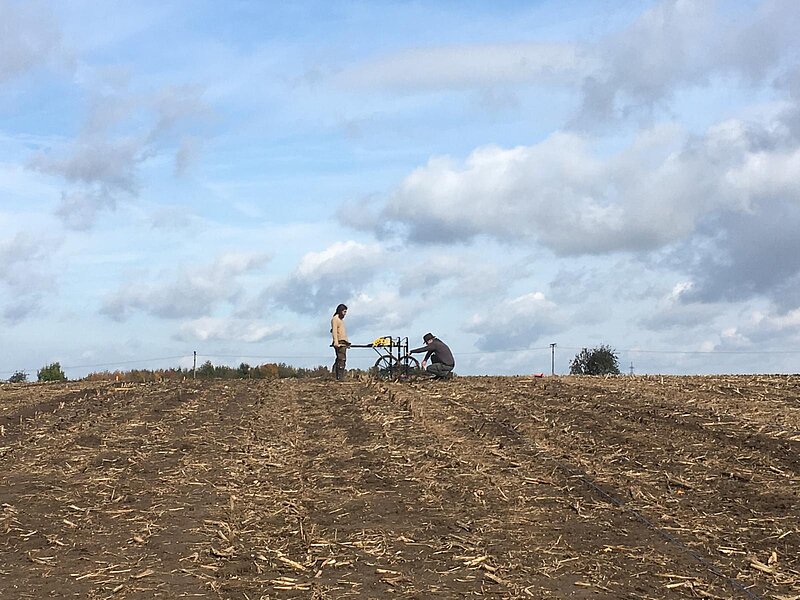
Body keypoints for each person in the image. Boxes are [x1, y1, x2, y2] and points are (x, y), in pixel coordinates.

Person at [330, 303, 350, 380]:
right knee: (342, 359)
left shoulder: (341, 320)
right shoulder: (335, 319)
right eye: (344, 311)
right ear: (340, 311)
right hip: (339, 342)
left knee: (340, 359)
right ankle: (339, 377)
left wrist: (347, 342)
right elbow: (334, 331)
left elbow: (343, 332)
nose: (345, 313)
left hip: (343, 342)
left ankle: (335, 375)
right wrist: (336, 342)